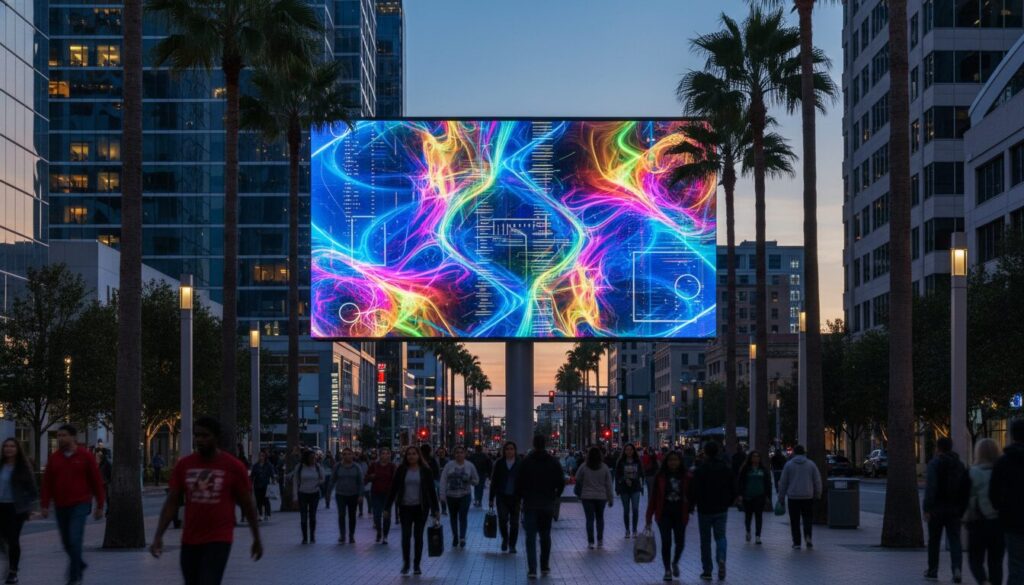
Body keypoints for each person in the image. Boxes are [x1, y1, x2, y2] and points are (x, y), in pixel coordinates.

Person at [150, 417, 262, 585]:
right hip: (190, 539)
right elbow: (172, 502)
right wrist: (158, 535)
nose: (199, 440)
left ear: (216, 438)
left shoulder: (233, 467)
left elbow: (247, 504)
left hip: (219, 538)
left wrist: (257, 538)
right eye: (197, 435)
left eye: (205, 436)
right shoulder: (184, 465)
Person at [40, 424, 105, 585]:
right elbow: (47, 483)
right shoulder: (54, 458)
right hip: (61, 505)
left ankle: (73, 576)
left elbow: (96, 481)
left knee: (75, 539)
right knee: (66, 542)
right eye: (59, 435)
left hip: (80, 504)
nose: (60, 438)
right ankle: (80, 564)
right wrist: (45, 504)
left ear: (73, 437)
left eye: (64, 435)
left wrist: (100, 505)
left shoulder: (85, 456)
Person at [385, 446, 441, 576]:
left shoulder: (425, 471)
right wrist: (387, 507)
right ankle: (406, 563)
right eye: (409, 454)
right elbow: (393, 489)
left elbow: (431, 491)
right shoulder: (401, 470)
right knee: (405, 536)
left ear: (418, 455)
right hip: (405, 508)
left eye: (414, 454)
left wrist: (436, 509)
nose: (411, 456)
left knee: (418, 537)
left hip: (421, 508)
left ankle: (416, 564)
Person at [516, 435, 565, 579]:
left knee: (530, 537)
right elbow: (560, 482)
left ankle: (532, 569)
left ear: (533, 444)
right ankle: (545, 566)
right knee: (545, 536)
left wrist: (521, 498)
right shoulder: (553, 462)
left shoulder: (526, 462)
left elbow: (519, 483)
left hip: (530, 503)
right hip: (547, 504)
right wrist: (555, 495)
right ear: (546, 444)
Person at [688, 441, 734, 581]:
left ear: (705, 452)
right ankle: (721, 558)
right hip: (721, 508)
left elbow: (694, 489)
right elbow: (733, 486)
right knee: (721, 536)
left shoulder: (701, 469)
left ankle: (707, 570)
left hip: (705, 509)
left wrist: (692, 505)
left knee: (705, 540)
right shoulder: (725, 468)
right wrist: (729, 502)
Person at [960, 438, 1003, 585]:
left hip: (977, 522)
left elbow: (963, 497)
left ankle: (983, 581)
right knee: (996, 561)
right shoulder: (1001, 471)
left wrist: (962, 517)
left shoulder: (972, 472)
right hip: (999, 522)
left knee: (975, 559)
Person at [923, 436, 966, 582]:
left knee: (934, 540)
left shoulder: (934, 464)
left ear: (938, 448)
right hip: (954, 509)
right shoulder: (959, 464)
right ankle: (957, 568)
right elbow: (964, 488)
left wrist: (927, 508)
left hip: (937, 509)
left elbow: (931, 488)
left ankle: (932, 570)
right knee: (955, 540)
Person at [645, 451, 690, 582]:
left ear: (680, 461)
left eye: (676, 460)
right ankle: (667, 570)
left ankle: (675, 561)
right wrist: (648, 517)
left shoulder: (686, 476)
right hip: (663, 514)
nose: (673, 462)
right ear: (666, 462)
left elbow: (692, 494)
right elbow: (653, 497)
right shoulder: (660, 476)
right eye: (671, 460)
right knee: (666, 542)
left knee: (680, 542)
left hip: (680, 514)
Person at [991, 418, 1024, 585]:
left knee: (1015, 563)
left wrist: (1001, 508)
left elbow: (994, 492)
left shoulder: (1003, 462)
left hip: (1011, 519)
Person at [0, 438, 37, 584]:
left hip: (16, 509)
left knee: (13, 540)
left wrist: (27, 507)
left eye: (12, 446)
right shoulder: (1, 465)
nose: (8, 449)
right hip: (0, 507)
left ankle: (13, 572)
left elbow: (33, 491)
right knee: (2, 539)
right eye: (6, 446)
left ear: (17, 449)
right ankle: (10, 561)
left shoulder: (23, 467)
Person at [777, 444, 822, 551]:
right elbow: (817, 480)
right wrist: (818, 493)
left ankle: (797, 542)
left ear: (794, 453)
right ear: (804, 453)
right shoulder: (811, 464)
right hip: (808, 496)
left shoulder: (789, 465)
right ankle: (808, 536)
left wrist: (781, 497)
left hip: (793, 497)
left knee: (795, 520)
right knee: (807, 518)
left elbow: (783, 483)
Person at [439, 445, 479, 548]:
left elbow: (476, 480)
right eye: (457, 452)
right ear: (454, 454)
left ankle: (462, 537)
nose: (459, 454)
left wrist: (469, 480)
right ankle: (455, 536)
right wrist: (442, 495)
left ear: (465, 454)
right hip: (451, 496)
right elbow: (443, 480)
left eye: (461, 452)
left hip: (465, 496)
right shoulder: (449, 466)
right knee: (453, 517)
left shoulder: (470, 466)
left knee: (463, 516)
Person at [575, 446, 613, 549]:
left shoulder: (584, 466)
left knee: (589, 519)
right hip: (601, 497)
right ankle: (600, 540)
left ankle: (590, 541)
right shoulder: (604, 467)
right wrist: (610, 498)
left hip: (587, 496)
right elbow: (608, 484)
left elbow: (577, 477)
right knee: (600, 518)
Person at [489, 441, 521, 553]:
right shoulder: (499, 463)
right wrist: (491, 498)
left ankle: (512, 545)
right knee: (502, 520)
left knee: (515, 523)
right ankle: (505, 539)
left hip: (515, 497)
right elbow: (494, 481)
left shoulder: (519, 463)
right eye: (507, 449)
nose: (509, 451)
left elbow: (525, 481)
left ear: (515, 451)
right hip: (502, 497)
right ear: (504, 451)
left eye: (512, 449)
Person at [736, 451, 772, 545]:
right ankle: (748, 531)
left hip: (760, 496)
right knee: (748, 515)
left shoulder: (763, 470)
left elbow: (767, 483)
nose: (756, 458)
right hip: (748, 496)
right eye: (754, 456)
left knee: (759, 516)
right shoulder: (746, 469)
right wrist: (740, 494)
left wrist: (768, 496)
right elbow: (741, 482)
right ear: (750, 458)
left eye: (757, 456)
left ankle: (758, 536)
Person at [330, 447, 363, 544]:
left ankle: (351, 535)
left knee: (352, 516)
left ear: (352, 455)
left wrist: (361, 495)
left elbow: (360, 482)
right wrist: (328, 493)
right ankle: (342, 535)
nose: (346, 456)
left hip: (353, 494)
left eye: (349, 454)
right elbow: (332, 479)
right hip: (341, 494)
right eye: (344, 454)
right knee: (341, 515)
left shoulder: (356, 467)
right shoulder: (338, 466)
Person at [291, 449, 324, 544]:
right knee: (303, 516)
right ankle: (305, 537)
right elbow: (295, 482)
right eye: (311, 458)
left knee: (313, 516)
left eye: (314, 457)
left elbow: (323, 478)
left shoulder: (317, 467)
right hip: (303, 493)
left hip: (314, 493)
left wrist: (317, 483)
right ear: (306, 458)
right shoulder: (300, 467)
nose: (314, 459)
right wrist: (295, 497)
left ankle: (312, 535)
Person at [366, 447, 396, 544]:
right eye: (383, 453)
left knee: (386, 515)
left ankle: (385, 535)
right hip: (376, 493)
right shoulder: (374, 465)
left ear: (390, 455)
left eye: (387, 453)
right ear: (380, 455)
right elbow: (366, 477)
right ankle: (379, 531)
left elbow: (396, 480)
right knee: (377, 515)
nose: (385, 455)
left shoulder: (392, 466)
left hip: (388, 494)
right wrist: (371, 477)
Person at [615, 443, 644, 538]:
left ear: (633, 451)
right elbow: (617, 475)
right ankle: (627, 529)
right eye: (627, 449)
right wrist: (623, 480)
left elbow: (641, 474)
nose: (629, 451)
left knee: (635, 509)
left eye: (631, 449)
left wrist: (641, 485)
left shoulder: (637, 461)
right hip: (624, 488)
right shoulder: (621, 462)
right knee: (626, 510)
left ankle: (634, 529)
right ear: (624, 451)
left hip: (635, 488)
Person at [250, 451, 276, 521]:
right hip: (257, 485)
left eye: (262, 456)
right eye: (260, 456)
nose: (261, 457)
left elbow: (272, 474)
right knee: (258, 501)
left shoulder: (268, 465)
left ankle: (267, 514)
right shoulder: (256, 466)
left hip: (266, 485)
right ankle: (260, 514)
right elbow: (252, 476)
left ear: (265, 457)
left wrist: (273, 480)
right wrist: (250, 483)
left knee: (266, 500)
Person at [95, 448, 111, 516]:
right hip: (103, 482)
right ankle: (107, 509)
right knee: (105, 497)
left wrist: (107, 481)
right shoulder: (102, 463)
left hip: (105, 483)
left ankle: (108, 509)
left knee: (107, 497)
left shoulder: (106, 463)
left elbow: (108, 473)